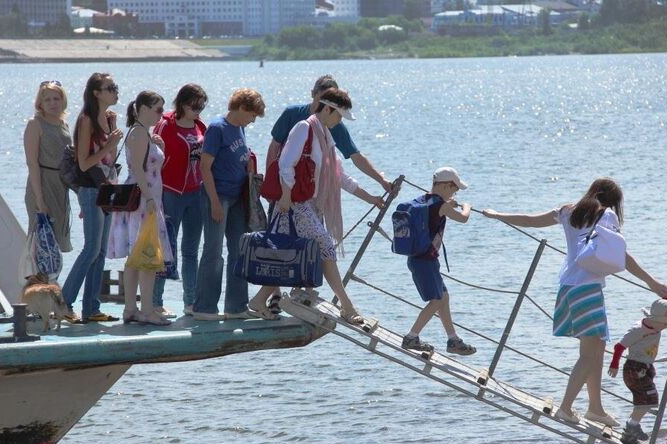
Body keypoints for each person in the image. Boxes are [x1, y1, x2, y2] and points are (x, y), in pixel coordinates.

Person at [482, 178, 667, 427]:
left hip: (567, 288)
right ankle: (566, 408)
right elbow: (623, 256)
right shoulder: (607, 215)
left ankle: (595, 408)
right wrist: (651, 282)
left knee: (595, 348)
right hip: (588, 290)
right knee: (590, 356)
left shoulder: (569, 210)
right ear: (613, 200)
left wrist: (497, 215)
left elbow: (531, 219)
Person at [247, 88, 384, 323]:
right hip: (294, 205)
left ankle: (258, 301)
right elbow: (286, 163)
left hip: (307, 206)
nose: (339, 121)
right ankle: (347, 307)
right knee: (326, 250)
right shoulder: (304, 128)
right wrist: (287, 195)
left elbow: (340, 177)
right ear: (328, 109)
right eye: (338, 115)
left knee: (287, 256)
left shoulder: (326, 137)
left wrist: (372, 198)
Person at [192, 88, 265, 320]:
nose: (253, 120)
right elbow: (205, 167)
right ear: (242, 108)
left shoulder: (240, 127)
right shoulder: (217, 128)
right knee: (213, 252)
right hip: (218, 196)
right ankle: (204, 308)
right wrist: (214, 201)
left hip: (237, 198)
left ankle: (236, 307)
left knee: (239, 251)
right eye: (252, 115)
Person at [107, 90, 173, 326]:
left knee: (137, 257)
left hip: (148, 198)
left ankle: (131, 309)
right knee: (146, 256)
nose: (161, 114)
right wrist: (149, 198)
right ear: (143, 108)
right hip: (143, 201)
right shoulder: (138, 134)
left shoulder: (144, 133)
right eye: (157, 109)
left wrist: (159, 145)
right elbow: (137, 168)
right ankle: (145, 310)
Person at [62, 72, 123, 324]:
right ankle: (64, 303)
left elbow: (110, 160)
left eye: (115, 87)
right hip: (91, 190)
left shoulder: (106, 119)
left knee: (100, 252)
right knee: (90, 249)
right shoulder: (86, 120)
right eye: (110, 87)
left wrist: (112, 138)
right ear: (96, 92)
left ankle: (91, 309)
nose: (115, 91)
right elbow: (84, 164)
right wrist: (109, 145)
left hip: (108, 189)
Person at [400, 167, 477, 355]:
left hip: (419, 259)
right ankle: (411, 337)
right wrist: (467, 207)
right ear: (444, 186)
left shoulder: (426, 200)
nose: (455, 191)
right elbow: (463, 219)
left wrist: (449, 203)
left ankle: (453, 339)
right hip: (426, 262)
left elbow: (438, 210)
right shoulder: (441, 206)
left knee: (443, 296)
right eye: (453, 187)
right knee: (436, 300)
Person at [152, 83, 208, 318]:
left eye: (201, 106)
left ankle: (191, 302)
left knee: (191, 251)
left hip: (196, 193)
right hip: (170, 192)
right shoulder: (166, 125)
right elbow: (152, 158)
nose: (198, 111)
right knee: (166, 249)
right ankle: (155, 302)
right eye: (194, 106)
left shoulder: (200, 126)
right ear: (183, 104)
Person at [608, 298, 667, 444]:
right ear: (655, 319)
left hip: (645, 368)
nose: (666, 327)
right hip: (634, 369)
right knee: (646, 399)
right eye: (665, 324)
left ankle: (631, 430)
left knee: (650, 399)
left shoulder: (657, 326)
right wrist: (614, 365)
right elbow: (619, 346)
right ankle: (630, 429)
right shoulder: (638, 330)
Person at [23, 80, 73, 253]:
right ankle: (38, 280)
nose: (52, 103)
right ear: (40, 103)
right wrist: (39, 199)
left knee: (57, 242)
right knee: (41, 242)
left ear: (63, 100)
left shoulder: (64, 124)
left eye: (56, 99)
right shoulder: (35, 124)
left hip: (61, 187)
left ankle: (52, 280)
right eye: (48, 100)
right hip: (42, 184)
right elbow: (32, 163)